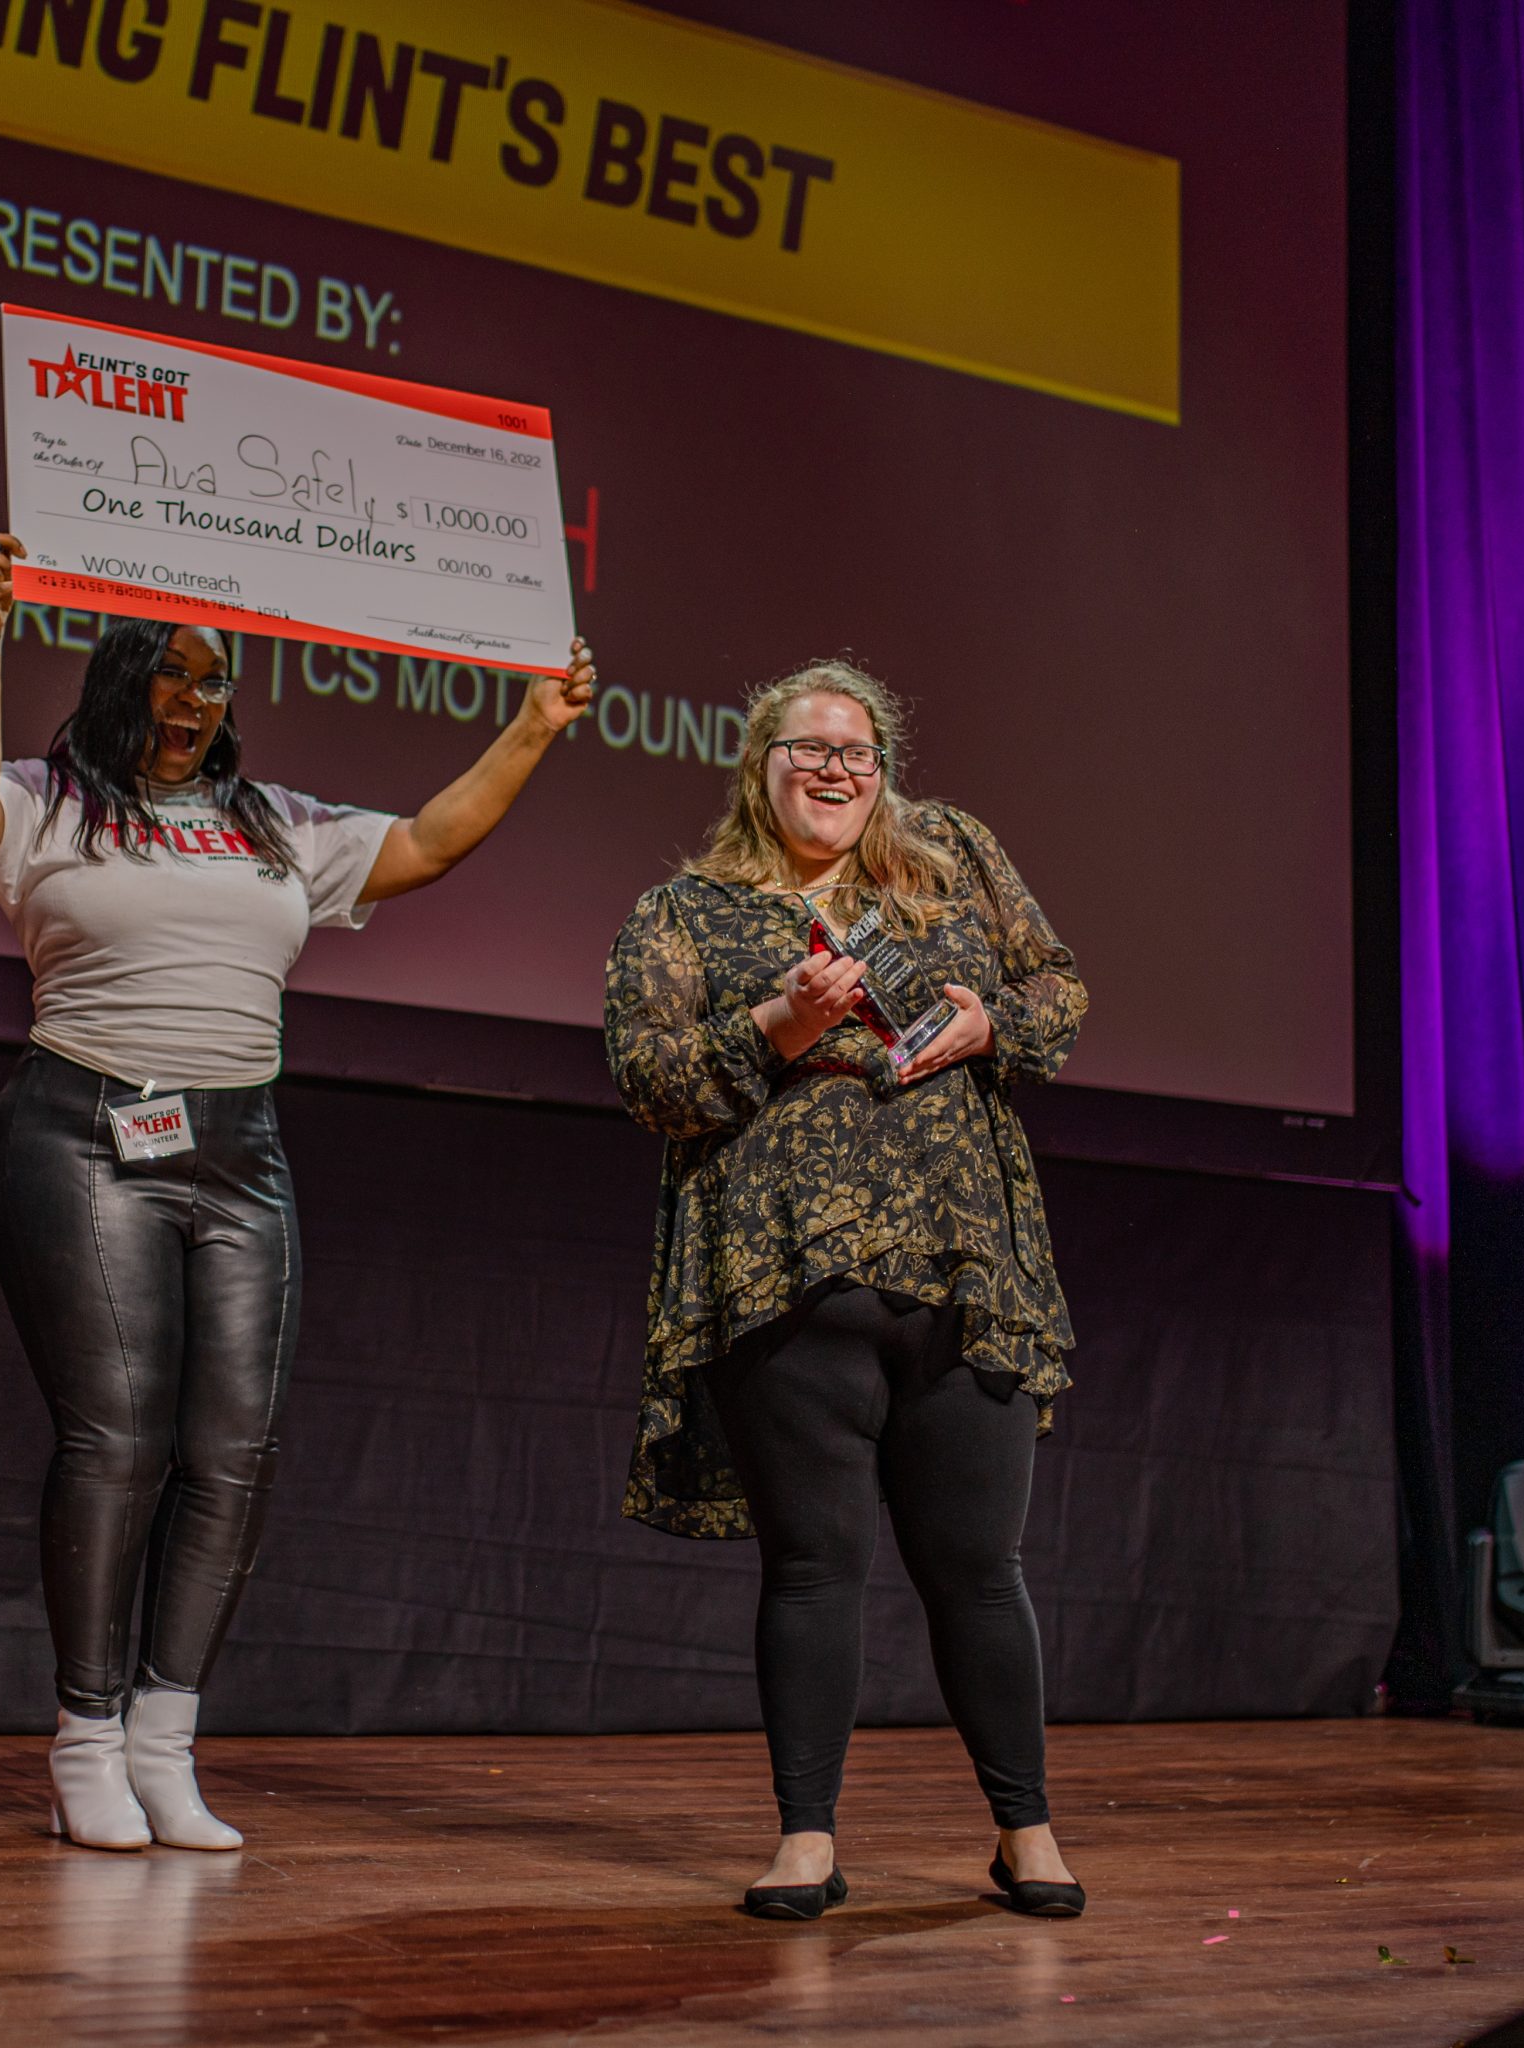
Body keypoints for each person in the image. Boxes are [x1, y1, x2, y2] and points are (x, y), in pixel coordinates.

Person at [0, 533, 595, 1850]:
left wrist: (534, 725)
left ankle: (165, 1742)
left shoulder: (271, 821)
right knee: (117, 1441)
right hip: (87, 1130)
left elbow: (425, 844)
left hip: (239, 1153)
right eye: (172, 676)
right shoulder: (51, 803)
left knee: (233, 1452)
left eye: (215, 681)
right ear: (123, 679)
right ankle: (85, 1742)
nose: (194, 701)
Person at [603, 659, 1090, 1919]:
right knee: (814, 1564)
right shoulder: (687, 909)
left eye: (856, 751)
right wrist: (774, 1021)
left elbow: (1057, 984)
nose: (834, 768)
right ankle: (806, 1838)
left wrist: (992, 1025)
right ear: (757, 765)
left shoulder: (951, 858)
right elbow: (649, 1078)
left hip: (960, 1263)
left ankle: (1027, 1831)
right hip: (782, 1280)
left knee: (978, 1566)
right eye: (808, 748)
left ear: (884, 770)